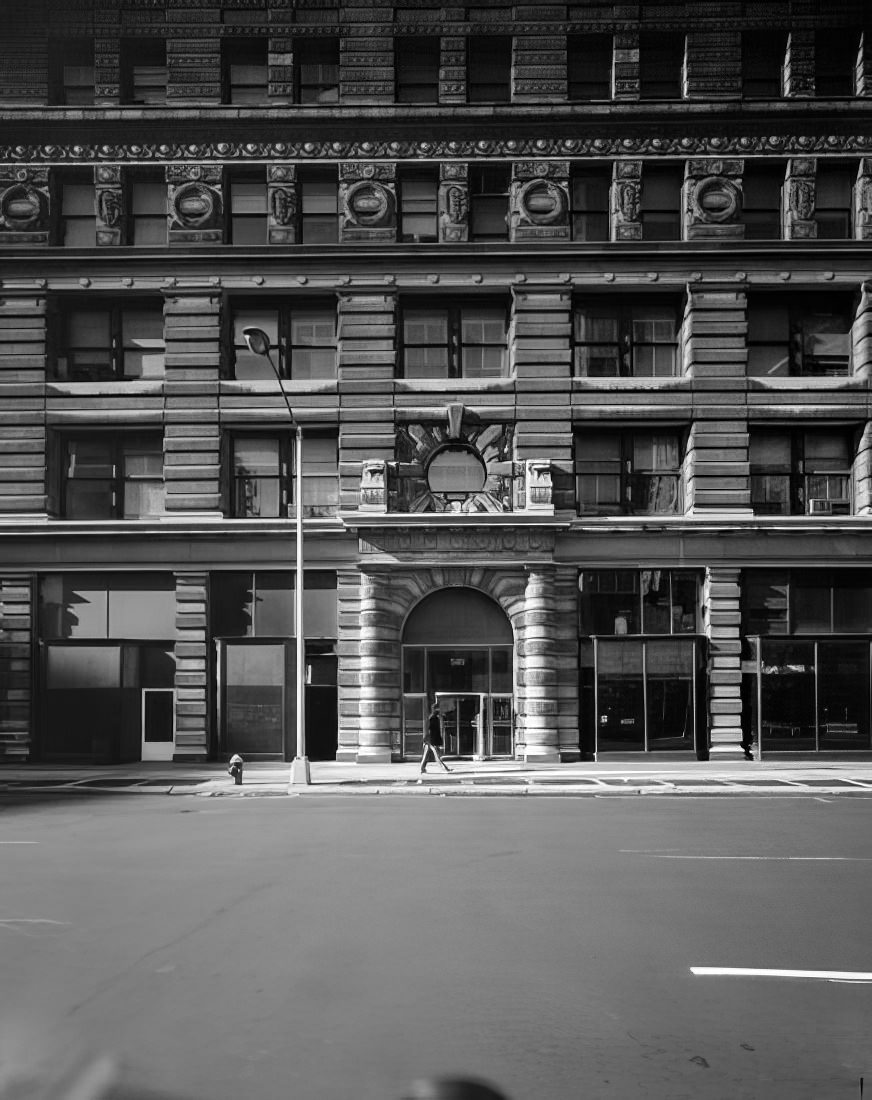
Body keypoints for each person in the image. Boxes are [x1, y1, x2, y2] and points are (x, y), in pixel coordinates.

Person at [419, 701, 451, 775]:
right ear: (435, 709)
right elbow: (432, 730)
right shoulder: (433, 718)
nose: (439, 710)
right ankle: (444, 768)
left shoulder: (433, 717)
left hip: (429, 739)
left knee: (426, 755)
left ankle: (422, 768)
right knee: (437, 755)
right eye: (438, 709)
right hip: (431, 739)